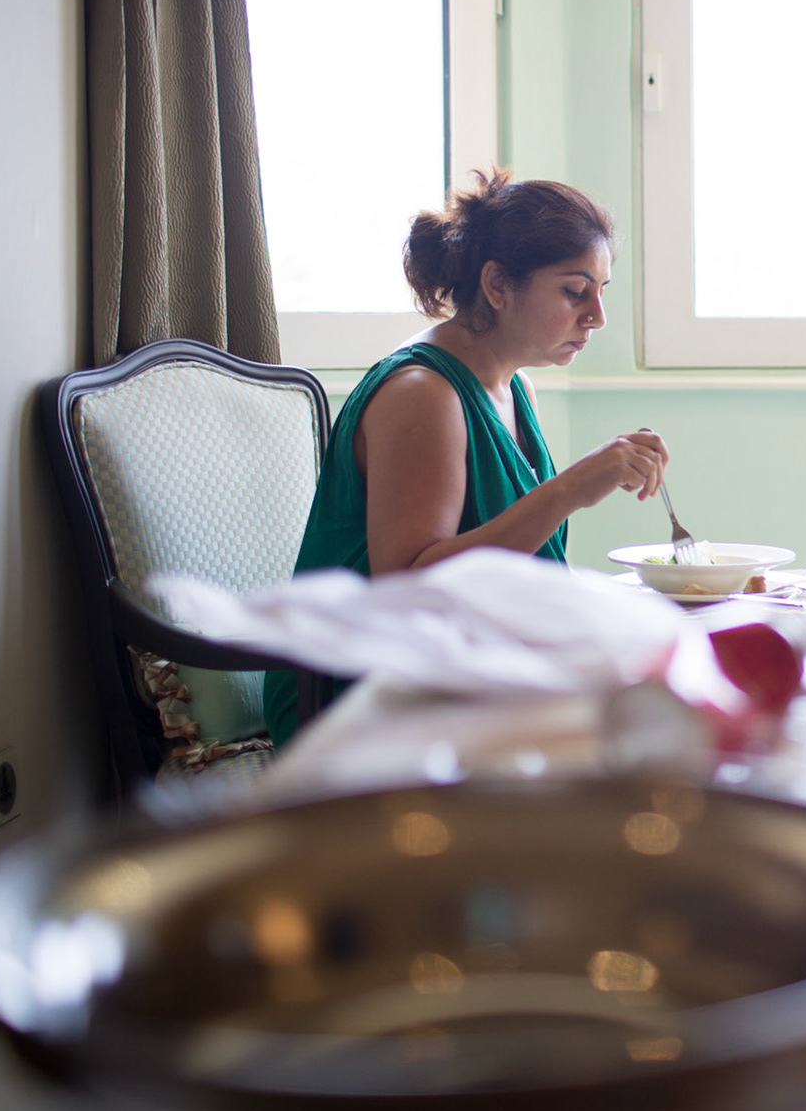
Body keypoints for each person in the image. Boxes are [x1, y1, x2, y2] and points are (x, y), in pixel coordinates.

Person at [261, 169, 667, 744]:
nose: (596, 316)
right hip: (362, 700)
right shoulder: (422, 394)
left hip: (461, 675)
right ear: (498, 285)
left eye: (602, 291)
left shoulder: (510, 386)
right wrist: (568, 491)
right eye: (576, 291)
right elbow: (411, 589)